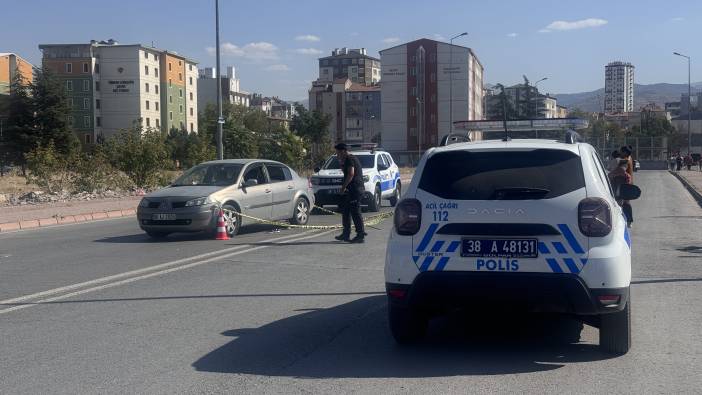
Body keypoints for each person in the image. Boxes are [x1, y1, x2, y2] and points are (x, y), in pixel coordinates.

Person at [333, 143, 366, 243]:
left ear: (343, 151)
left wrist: (343, 187)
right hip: (351, 190)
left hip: (355, 189)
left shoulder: (350, 159)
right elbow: (346, 172)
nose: (337, 154)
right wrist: (341, 164)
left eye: (338, 152)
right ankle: (345, 234)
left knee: (355, 212)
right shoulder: (346, 160)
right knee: (346, 211)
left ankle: (360, 235)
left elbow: (351, 174)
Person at [608, 158, 633, 227]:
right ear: (624, 165)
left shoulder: (612, 173)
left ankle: (614, 221)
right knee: (627, 205)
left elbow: (608, 180)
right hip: (623, 193)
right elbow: (628, 184)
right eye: (626, 165)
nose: (627, 167)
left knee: (615, 207)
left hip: (613, 193)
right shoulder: (626, 174)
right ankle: (629, 221)